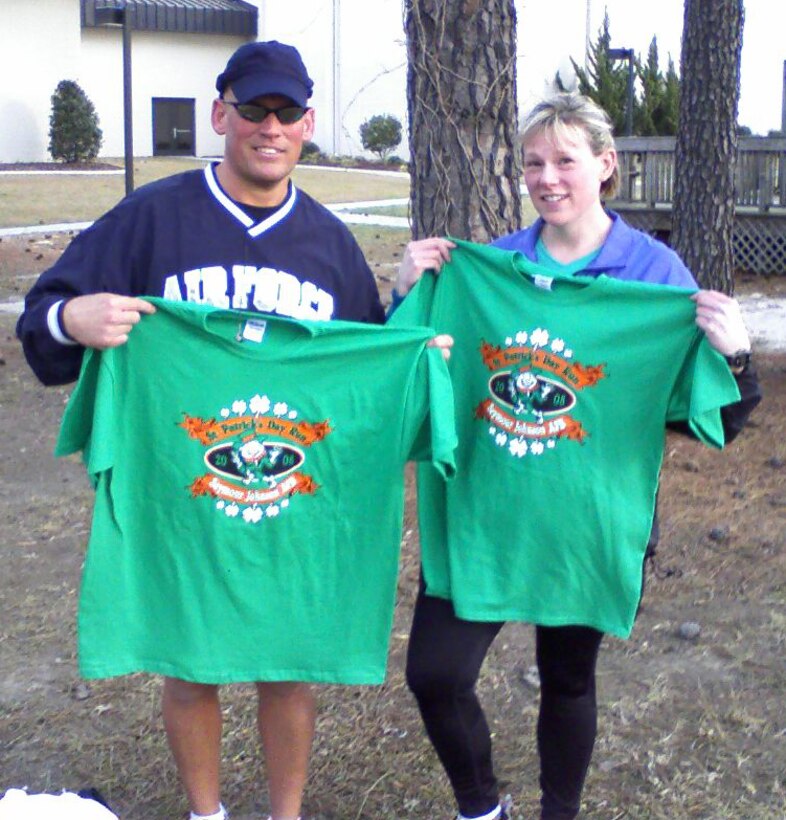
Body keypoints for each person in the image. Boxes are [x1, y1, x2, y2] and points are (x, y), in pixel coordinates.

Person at [17, 40, 450, 820]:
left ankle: (285, 815)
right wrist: (72, 318)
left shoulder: (327, 242)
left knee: (288, 665)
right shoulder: (152, 218)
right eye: (253, 109)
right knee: (191, 660)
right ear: (222, 114)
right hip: (182, 488)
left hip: (292, 498)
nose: (269, 127)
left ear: (307, 125)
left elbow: (357, 380)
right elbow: (41, 320)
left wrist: (413, 348)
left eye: (286, 113)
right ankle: (205, 813)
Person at [392, 92, 762, 820]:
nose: (547, 177)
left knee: (566, 678)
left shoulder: (653, 276)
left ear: (606, 164)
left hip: (585, 518)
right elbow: (400, 386)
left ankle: (558, 813)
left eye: (565, 159)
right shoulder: (486, 269)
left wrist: (739, 359)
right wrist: (407, 295)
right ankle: (481, 808)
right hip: (484, 510)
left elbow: (709, 419)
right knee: (435, 673)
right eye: (533, 162)